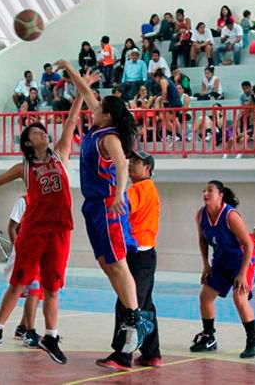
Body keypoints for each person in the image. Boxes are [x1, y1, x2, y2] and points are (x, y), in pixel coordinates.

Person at [0, 72, 96, 365]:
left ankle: (51, 336)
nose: (43, 133)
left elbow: (71, 121)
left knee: (52, 287)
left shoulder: (60, 155)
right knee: (18, 284)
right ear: (28, 142)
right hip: (33, 231)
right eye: (37, 132)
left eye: (43, 131)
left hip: (60, 230)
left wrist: (82, 91)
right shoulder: (23, 167)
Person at [57, 59, 155, 355]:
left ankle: (138, 318)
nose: (93, 109)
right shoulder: (97, 131)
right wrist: (71, 71)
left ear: (107, 115)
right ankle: (132, 313)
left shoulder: (109, 137)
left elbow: (123, 164)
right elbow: (87, 93)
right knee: (105, 263)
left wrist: (119, 195)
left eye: (98, 109)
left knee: (118, 263)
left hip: (107, 205)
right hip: (93, 207)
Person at [96, 151, 161, 371]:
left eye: (137, 162)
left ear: (148, 169)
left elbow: (120, 206)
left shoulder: (140, 189)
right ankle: (152, 354)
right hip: (146, 254)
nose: (132, 164)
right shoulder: (148, 189)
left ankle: (123, 357)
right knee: (145, 304)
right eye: (130, 161)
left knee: (127, 302)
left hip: (138, 254)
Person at [191, 180, 255, 359]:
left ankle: (254, 342)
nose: (206, 193)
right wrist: (205, 264)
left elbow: (248, 244)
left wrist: (242, 274)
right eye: (204, 190)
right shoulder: (201, 215)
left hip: (243, 260)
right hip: (220, 261)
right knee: (205, 297)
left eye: (210, 190)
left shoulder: (230, 215)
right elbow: (202, 240)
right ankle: (209, 337)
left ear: (220, 195)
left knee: (239, 298)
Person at [2, 196, 44, 348]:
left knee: (38, 292)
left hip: (39, 251)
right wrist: (20, 248)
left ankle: (22, 327)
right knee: (33, 288)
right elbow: (12, 228)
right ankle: (29, 332)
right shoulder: (23, 201)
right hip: (24, 252)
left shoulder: (45, 201)